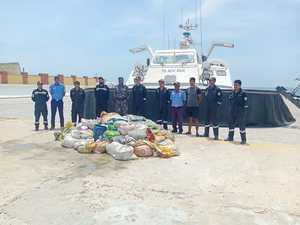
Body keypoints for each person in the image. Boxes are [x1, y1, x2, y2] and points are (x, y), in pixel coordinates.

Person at [225, 80, 248, 144]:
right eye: (234, 85)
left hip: (240, 112)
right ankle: (230, 137)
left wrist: (243, 112)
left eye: (236, 85)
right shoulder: (232, 92)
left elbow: (245, 104)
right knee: (231, 125)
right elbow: (230, 100)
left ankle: (243, 140)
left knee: (241, 126)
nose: (235, 86)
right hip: (232, 111)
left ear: (240, 85)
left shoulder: (243, 93)